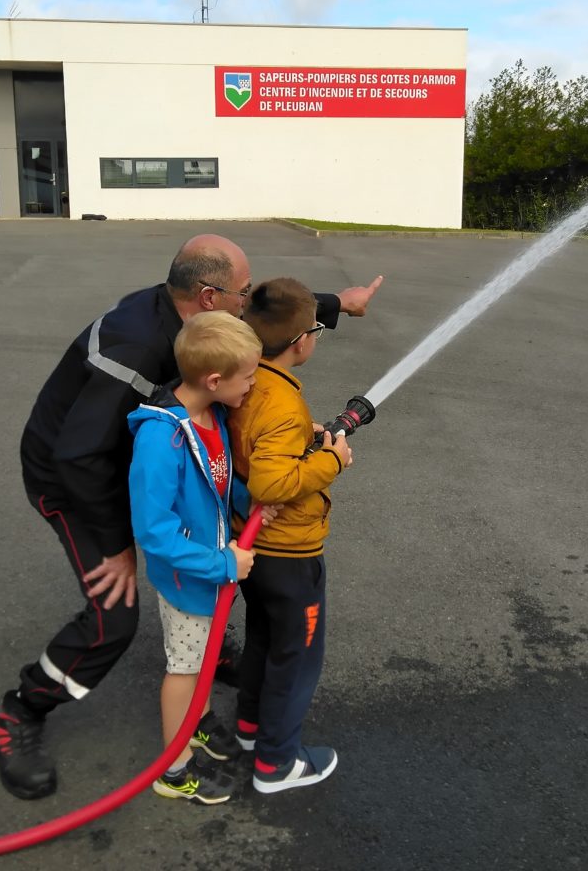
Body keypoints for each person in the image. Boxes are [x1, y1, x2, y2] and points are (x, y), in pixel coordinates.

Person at [0, 233, 382, 800]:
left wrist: (333, 305)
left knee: (198, 560)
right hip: (71, 476)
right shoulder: (134, 349)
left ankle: (203, 653)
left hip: (141, 463)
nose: (248, 301)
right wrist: (118, 547)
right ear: (207, 297)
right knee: (113, 615)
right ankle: (22, 713)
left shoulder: (195, 326)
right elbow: (79, 456)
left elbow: (265, 314)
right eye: (243, 292)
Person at [127, 311, 268, 805]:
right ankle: (175, 769)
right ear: (215, 380)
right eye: (248, 376)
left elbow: (219, 484)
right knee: (185, 668)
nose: (253, 384)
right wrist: (224, 566)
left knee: (204, 657)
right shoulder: (160, 440)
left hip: (210, 574)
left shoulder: (212, 416)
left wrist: (251, 504)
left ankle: (200, 721)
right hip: (193, 579)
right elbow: (155, 532)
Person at [227, 277, 354, 794]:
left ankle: (253, 730)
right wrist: (332, 459)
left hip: (254, 550)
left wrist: (309, 446)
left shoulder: (250, 381)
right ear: (302, 339)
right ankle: (277, 764)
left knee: (265, 637)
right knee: (297, 655)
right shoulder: (282, 403)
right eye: (317, 331)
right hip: (289, 553)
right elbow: (272, 482)